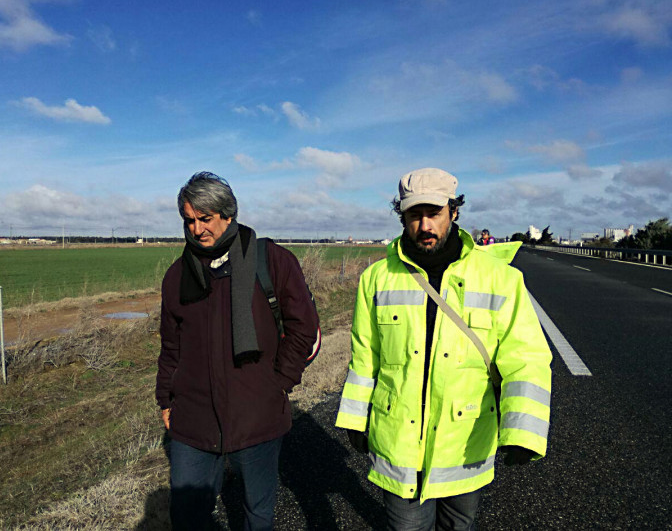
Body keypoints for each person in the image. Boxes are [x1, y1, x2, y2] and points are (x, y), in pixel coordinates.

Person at [335, 168, 551, 530]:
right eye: (414, 215)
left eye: (433, 213)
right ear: (401, 216)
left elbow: (526, 359)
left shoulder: (501, 279)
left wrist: (523, 431)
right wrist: (356, 419)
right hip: (398, 441)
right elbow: (365, 357)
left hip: (465, 443)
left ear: (453, 211)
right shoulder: (375, 279)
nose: (424, 226)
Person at [156, 171, 319, 531]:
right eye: (189, 220)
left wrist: (278, 382)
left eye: (205, 219)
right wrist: (166, 399)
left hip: (256, 414)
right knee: (187, 517)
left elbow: (303, 327)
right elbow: (171, 345)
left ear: (228, 215)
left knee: (256, 514)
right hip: (193, 419)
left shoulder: (271, 260)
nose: (197, 229)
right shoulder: (176, 276)